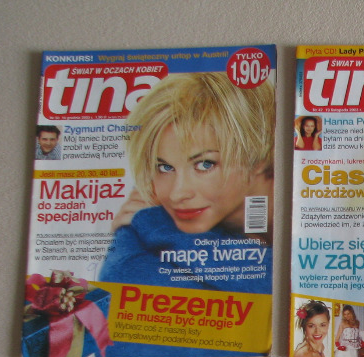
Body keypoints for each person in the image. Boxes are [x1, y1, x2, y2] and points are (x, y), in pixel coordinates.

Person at [100, 72, 275, 290]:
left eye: (205, 164)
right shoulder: (148, 206)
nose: (177, 193)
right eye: (164, 167)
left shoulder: (301, 194)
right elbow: (120, 279)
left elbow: (282, 283)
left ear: (257, 156)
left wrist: (159, 229)